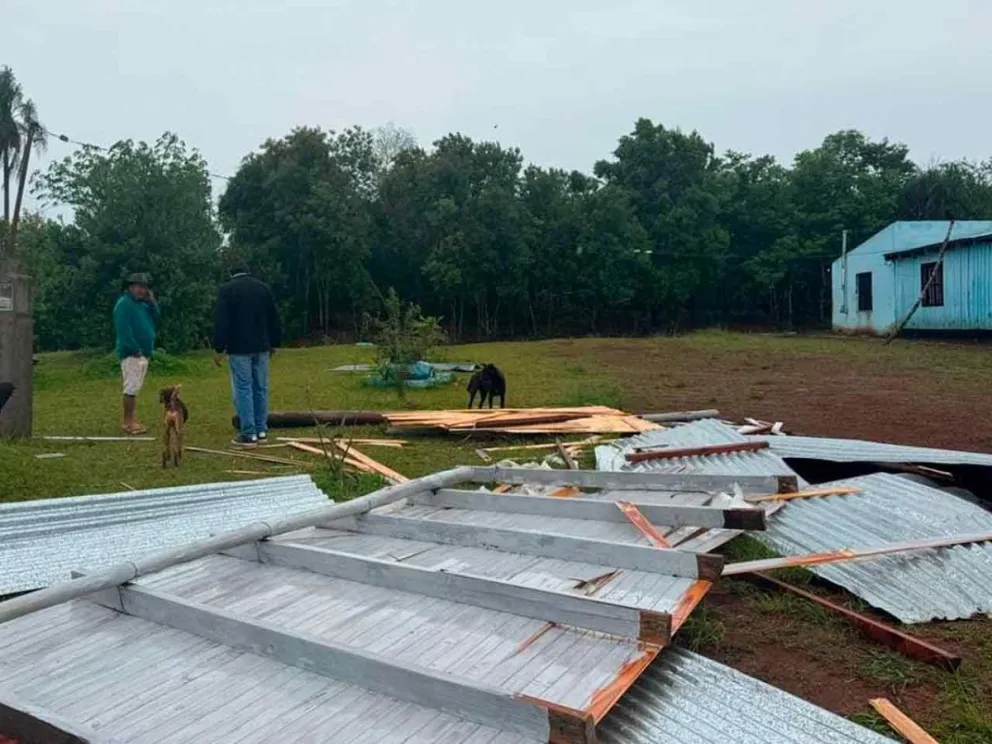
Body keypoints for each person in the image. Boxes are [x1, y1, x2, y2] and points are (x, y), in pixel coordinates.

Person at [213, 266, 282, 446]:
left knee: (243, 388)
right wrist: (275, 342)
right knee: (261, 387)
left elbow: (222, 321)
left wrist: (219, 347)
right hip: (261, 346)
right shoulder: (263, 288)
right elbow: (273, 317)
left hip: (239, 348)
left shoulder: (227, 290)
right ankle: (261, 430)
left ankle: (248, 433)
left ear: (232, 274)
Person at [114, 273, 160, 435]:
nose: (142, 290)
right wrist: (134, 349)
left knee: (136, 386)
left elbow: (156, 318)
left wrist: (152, 302)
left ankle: (131, 420)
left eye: (144, 287)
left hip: (143, 353)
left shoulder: (143, 305)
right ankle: (128, 422)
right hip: (132, 353)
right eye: (139, 286)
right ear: (130, 287)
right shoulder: (124, 304)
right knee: (131, 386)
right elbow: (123, 330)